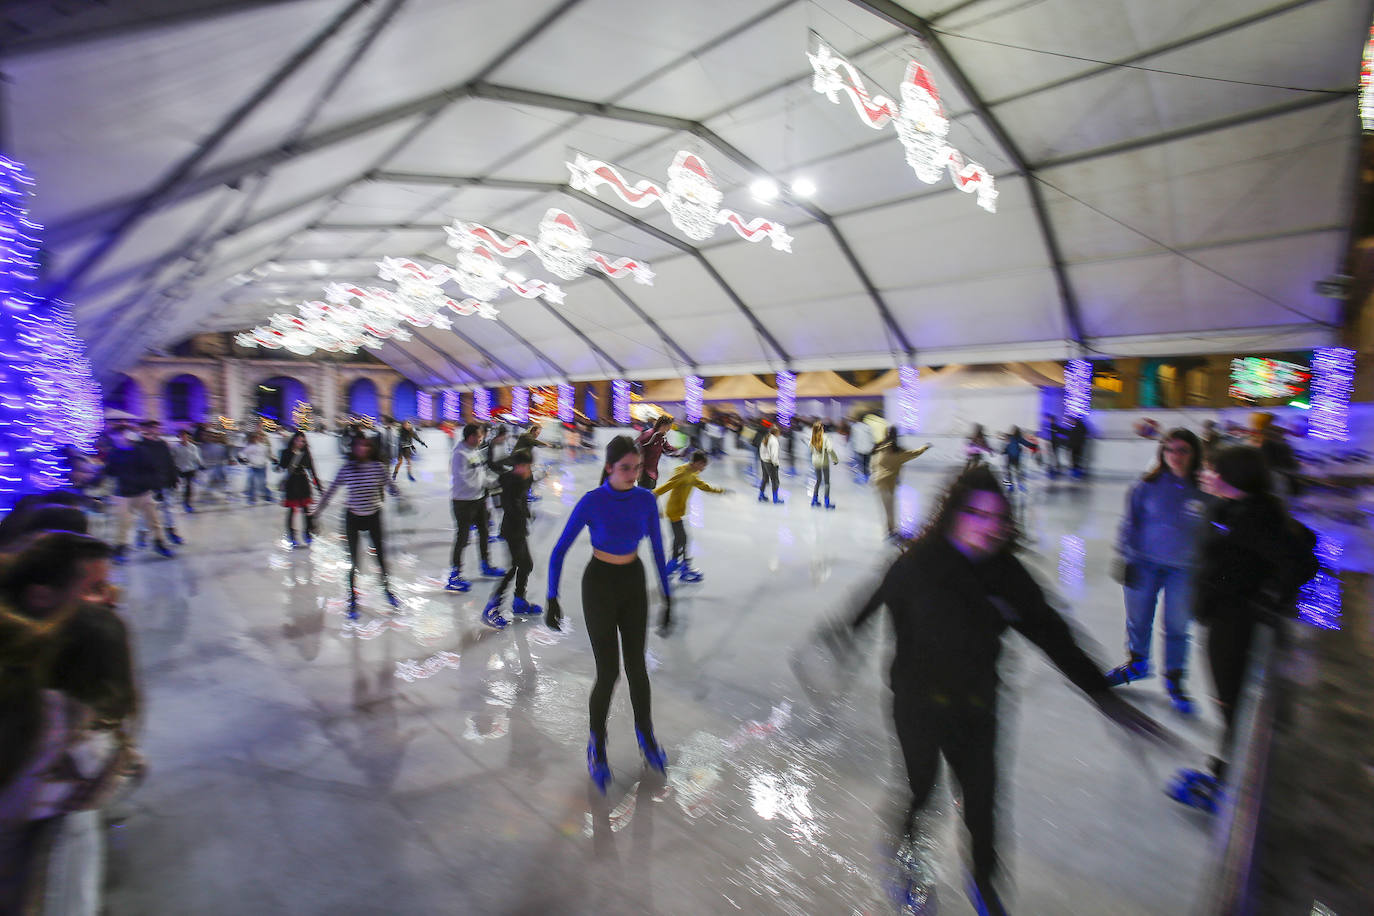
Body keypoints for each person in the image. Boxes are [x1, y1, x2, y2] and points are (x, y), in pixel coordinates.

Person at [841, 465, 1166, 914]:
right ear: (953, 512)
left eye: (996, 516)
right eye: (976, 513)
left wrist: (1103, 694)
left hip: (978, 708)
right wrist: (842, 637)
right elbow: (875, 597)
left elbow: (1054, 635)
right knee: (923, 791)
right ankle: (910, 863)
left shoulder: (1006, 574)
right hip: (917, 706)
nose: (987, 526)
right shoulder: (917, 562)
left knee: (983, 804)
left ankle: (985, 884)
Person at [1168, 445, 1317, 812]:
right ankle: (1230, 767)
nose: (1204, 474)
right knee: (1228, 701)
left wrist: (1266, 598)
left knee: (1232, 702)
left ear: (1231, 477)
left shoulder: (1253, 516)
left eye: (1211, 469)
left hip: (1234, 625)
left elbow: (1302, 559)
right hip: (1220, 618)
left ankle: (1236, 784)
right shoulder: (1231, 509)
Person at [545, 436, 673, 792]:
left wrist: (668, 594)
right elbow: (559, 550)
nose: (632, 474)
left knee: (637, 668)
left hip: (633, 582)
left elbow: (659, 550)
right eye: (625, 468)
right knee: (609, 672)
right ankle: (596, 744)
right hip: (599, 585)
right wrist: (552, 596)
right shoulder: (592, 501)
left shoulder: (646, 500)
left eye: (636, 467)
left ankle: (646, 737)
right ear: (609, 467)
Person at [1104, 428, 1209, 715]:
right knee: (1138, 619)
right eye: (1170, 449)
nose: (1176, 456)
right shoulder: (1145, 486)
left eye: (1183, 450)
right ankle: (1137, 663)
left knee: (1177, 626)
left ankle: (1175, 680)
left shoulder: (1204, 489)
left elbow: (1215, 530)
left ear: (1194, 454)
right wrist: (1125, 558)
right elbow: (1129, 523)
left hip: (1184, 570)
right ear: (1162, 453)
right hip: (1144, 564)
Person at [311, 435, 400, 618]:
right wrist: (316, 512)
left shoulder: (378, 467)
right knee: (354, 561)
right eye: (359, 446)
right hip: (353, 518)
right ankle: (352, 597)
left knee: (380, 557)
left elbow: (390, 486)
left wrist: (399, 496)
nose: (363, 449)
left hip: (373, 516)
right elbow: (331, 491)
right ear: (353, 448)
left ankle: (387, 590)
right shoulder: (347, 469)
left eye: (366, 446)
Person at [480, 450, 543, 629]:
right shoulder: (509, 481)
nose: (529, 470)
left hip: (520, 528)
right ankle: (492, 608)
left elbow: (525, 494)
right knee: (514, 567)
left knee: (526, 565)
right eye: (527, 466)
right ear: (519, 466)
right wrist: (524, 512)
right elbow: (509, 505)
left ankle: (519, 601)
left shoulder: (524, 478)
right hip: (511, 530)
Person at [102, 426, 175, 562]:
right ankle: (120, 547)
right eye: (117, 436)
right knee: (123, 523)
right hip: (123, 494)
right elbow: (110, 471)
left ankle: (159, 543)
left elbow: (152, 470)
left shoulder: (141, 451)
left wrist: (156, 488)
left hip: (143, 492)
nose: (120, 438)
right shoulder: (115, 453)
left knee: (154, 521)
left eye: (122, 435)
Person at [446, 424, 504, 593]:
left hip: (478, 500)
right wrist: (483, 487)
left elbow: (481, 474)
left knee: (484, 532)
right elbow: (463, 479)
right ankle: (454, 575)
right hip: (463, 501)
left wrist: (494, 482)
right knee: (463, 537)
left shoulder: (475, 451)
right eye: (478, 437)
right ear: (470, 436)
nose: (481, 439)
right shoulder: (459, 454)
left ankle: (485, 564)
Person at [654, 450, 727, 583]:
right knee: (683, 539)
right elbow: (667, 486)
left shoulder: (692, 474)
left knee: (680, 539)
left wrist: (720, 491)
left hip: (678, 512)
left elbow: (704, 486)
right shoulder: (683, 473)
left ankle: (676, 565)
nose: (704, 468)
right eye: (703, 465)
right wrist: (651, 495)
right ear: (698, 463)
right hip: (674, 512)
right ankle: (681, 567)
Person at [871, 428, 931, 540]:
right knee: (889, 508)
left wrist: (874, 473)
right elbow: (914, 453)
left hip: (878, 481)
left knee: (886, 508)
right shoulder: (898, 451)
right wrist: (925, 447)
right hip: (889, 483)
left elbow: (873, 463)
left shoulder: (880, 448)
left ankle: (890, 530)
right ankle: (891, 531)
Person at [278, 431, 322, 548]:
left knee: (306, 510)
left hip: (302, 482)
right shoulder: (286, 452)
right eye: (298, 440)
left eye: (302, 441)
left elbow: (312, 470)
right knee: (292, 511)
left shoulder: (306, 453)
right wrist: (281, 460)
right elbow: (281, 466)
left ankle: (307, 533)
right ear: (293, 440)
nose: (300, 443)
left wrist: (319, 486)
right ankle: (292, 535)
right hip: (292, 483)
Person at [635, 415, 678, 489]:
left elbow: (667, 449)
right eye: (669, 426)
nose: (670, 428)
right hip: (644, 471)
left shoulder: (662, 436)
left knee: (650, 493)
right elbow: (636, 445)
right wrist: (638, 465)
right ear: (663, 425)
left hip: (653, 471)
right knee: (644, 495)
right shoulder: (650, 434)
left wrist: (681, 452)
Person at [168, 429, 201, 513]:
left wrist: (200, 465)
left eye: (186, 436)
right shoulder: (175, 448)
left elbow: (197, 458)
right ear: (179, 437)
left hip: (190, 469)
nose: (184, 438)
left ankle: (187, 503)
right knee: (177, 487)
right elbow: (171, 458)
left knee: (189, 487)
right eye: (182, 436)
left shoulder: (193, 447)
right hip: (179, 469)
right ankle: (174, 502)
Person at [809, 422, 839, 509]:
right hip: (824, 462)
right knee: (826, 483)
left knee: (818, 480)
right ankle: (827, 502)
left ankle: (814, 500)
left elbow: (810, 448)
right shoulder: (825, 437)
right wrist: (835, 459)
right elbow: (830, 449)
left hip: (815, 462)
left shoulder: (813, 438)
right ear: (822, 428)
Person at [241, 431, 272, 505]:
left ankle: (268, 496)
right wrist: (244, 459)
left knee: (263, 483)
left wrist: (272, 458)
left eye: (258, 437)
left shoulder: (264, 446)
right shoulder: (250, 447)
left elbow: (268, 455)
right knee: (252, 483)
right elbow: (242, 454)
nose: (257, 438)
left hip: (262, 466)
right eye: (255, 437)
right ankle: (252, 498)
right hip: (253, 467)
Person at [1000, 426, 1033, 492]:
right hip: (1016, 457)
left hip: (1010, 457)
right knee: (1018, 472)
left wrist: (1003, 452)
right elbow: (1026, 443)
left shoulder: (1010, 438)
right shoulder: (1018, 438)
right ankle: (1021, 486)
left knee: (1009, 472)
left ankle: (1010, 486)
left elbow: (1007, 447)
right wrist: (1033, 445)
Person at [756, 425, 782, 504]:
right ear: (776, 433)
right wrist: (776, 464)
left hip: (764, 461)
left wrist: (763, 459)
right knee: (775, 481)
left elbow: (761, 450)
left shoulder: (766, 438)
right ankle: (775, 498)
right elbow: (774, 454)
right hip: (771, 463)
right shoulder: (774, 441)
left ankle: (761, 495)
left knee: (765, 479)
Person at [848, 417, 876, 482]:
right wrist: (872, 447)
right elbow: (872, 438)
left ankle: (861, 478)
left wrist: (852, 447)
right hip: (868, 448)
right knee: (866, 463)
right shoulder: (868, 427)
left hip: (859, 449)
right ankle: (867, 477)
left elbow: (853, 439)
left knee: (859, 463)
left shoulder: (854, 427)